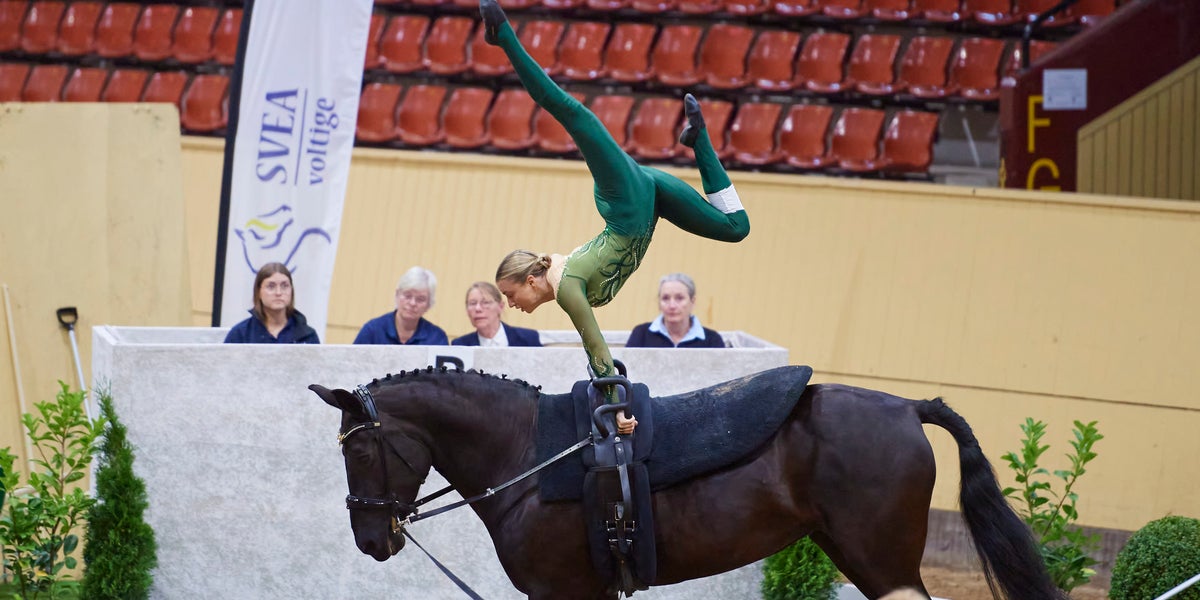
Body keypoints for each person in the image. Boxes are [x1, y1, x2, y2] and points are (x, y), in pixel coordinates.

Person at [484, 0, 750, 435]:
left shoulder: (568, 288)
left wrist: (617, 406)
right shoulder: (561, 275)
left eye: (511, 295)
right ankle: (698, 139)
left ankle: (503, 36)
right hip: (653, 202)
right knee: (737, 228)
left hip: (626, 201)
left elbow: (596, 348)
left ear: (531, 280)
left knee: (574, 114)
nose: (511, 305)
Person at [224, 262, 320, 344]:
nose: (278, 292)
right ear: (258, 292)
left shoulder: (307, 336)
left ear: (292, 290)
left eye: (284, 286)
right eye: (271, 286)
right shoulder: (241, 334)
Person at [353, 266, 449, 345]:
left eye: (420, 299)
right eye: (407, 296)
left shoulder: (436, 338)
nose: (412, 303)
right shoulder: (373, 330)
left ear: (429, 304)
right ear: (397, 294)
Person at [626, 273, 725, 349]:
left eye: (679, 298)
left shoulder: (712, 340)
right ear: (659, 302)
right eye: (665, 298)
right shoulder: (641, 333)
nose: (672, 305)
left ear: (692, 302)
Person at [452, 282, 542, 347]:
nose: (478, 309)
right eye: (472, 303)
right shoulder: (460, 345)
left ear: (500, 306)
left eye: (485, 302)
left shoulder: (529, 339)